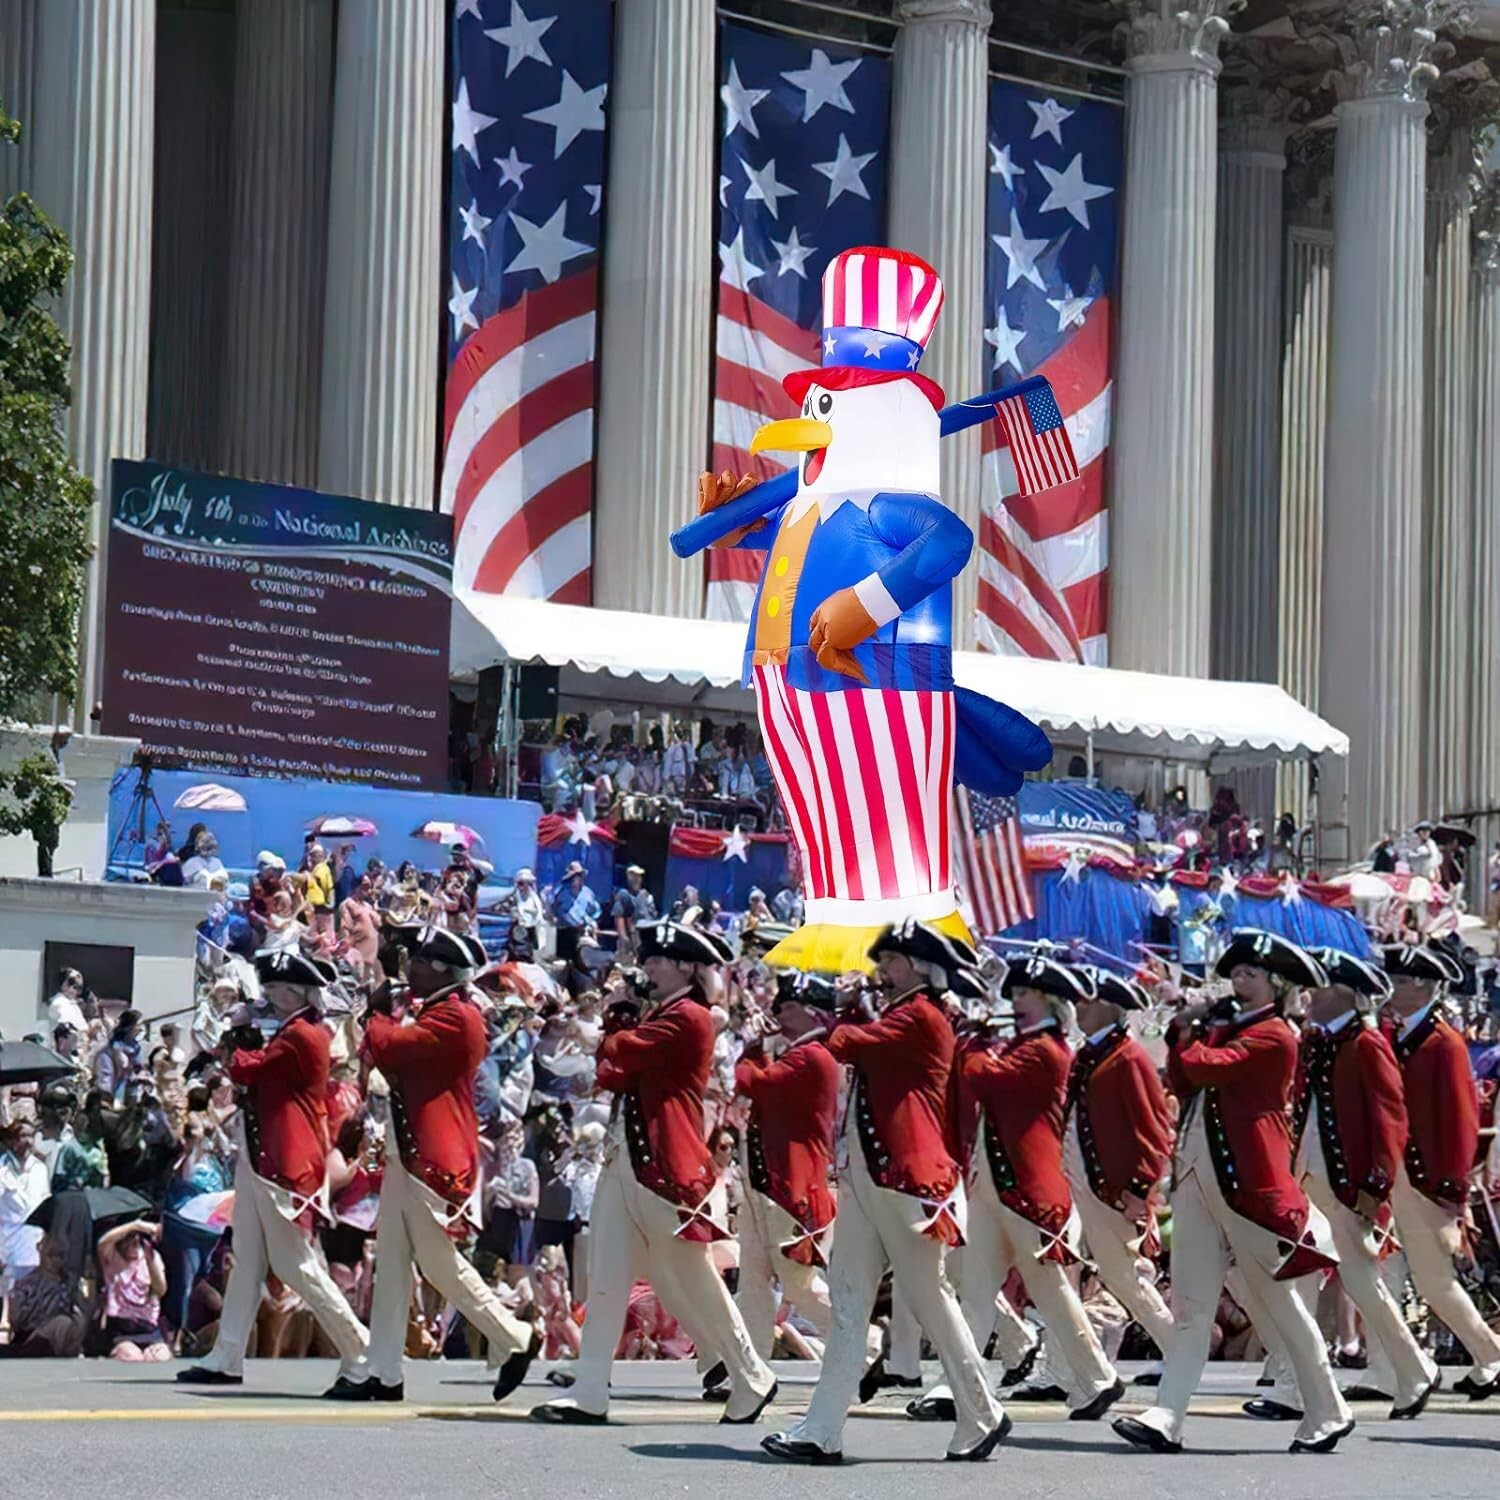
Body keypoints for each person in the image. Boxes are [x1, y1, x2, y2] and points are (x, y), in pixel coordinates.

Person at [763, 920, 1005, 1466]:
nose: (882, 970)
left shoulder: (923, 1017)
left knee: (930, 1298)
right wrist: (853, 1007)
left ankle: (982, 1411)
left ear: (920, 968)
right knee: (848, 1299)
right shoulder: (902, 1013)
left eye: (892, 962)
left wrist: (843, 1009)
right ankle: (823, 1429)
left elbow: (848, 1044)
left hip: (910, 1180)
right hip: (873, 1179)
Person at [1113, 930, 1352, 1456]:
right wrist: (1185, 1031)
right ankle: (1167, 1416)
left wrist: (1190, 1031)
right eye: (1236, 974)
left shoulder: (1274, 1035)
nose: (1238, 983)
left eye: (1251, 976)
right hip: (1200, 1180)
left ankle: (1329, 1409)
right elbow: (1182, 1078)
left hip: (1249, 1188)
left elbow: (1204, 1068)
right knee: (1192, 1307)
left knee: (1282, 1305)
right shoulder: (1226, 1030)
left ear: (1277, 986)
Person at [532, 919, 776, 1426]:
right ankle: (590, 1390)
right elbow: (611, 1073)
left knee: (691, 1276)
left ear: (687, 967)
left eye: (659, 960)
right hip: (628, 1162)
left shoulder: (689, 1016)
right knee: (607, 1277)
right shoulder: (661, 1014)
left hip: (665, 1166)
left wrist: (614, 1020)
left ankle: (752, 1374)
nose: (648, 967)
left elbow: (623, 1052)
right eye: (649, 959)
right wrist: (615, 1024)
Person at [329, 929, 540, 1402]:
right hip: (411, 1151)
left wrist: (378, 1011)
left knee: (437, 1263)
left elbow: (391, 1048)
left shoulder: (458, 1017)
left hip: (434, 1155)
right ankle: (382, 1369)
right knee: (393, 1262)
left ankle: (514, 1336)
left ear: (443, 969)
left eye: (420, 961)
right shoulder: (441, 1011)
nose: (410, 969)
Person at [913, 954, 1122, 1424]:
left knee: (1050, 1291)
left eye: (1024, 994)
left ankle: (1097, 1376)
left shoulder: (1046, 1050)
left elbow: (983, 1077)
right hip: (995, 1189)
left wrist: (970, 1037)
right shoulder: (1020, 1044)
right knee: (976, 1291)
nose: (1015, 1001)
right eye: (1015, 993)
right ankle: (958, 1385)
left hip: (1029, 1191)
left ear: (1049, 1000)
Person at [176, 950, 368, 1388]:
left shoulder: (303, 1034)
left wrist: (238, 1031)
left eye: (273, 989)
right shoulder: (294, 1029)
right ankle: (227, 1355)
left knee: (296, 1265)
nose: (268, 995)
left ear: (292, 991)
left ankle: (359, 1346)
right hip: (264, 1156)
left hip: (285, 1161)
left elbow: (248, 1069)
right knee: (246, 1260)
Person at [1273, 949, 1436, 1420]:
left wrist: (1375, 1187)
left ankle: (1412, 1370)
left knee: (1364, 1285)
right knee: (1299, 1275)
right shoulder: (1321, 1040)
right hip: (1311, 1178)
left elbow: (1390, 1120)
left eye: (1319, 986)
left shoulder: (1365, 1043)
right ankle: (1295, 1385)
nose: (1309, 994)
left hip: (1347, 1186)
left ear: (1344, 992)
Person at [1384, 941, 1500, 1398]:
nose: (1390, 989)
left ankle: (1489, 1353)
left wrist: (1452, 1188)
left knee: (1434, 1280)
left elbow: (1461, 1119)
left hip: (1426, 1177)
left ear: (1422, 986)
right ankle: (1398, 1363)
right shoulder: (1401, 1037)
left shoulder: (1444, 1042)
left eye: (1398, 981)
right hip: (1396, 1170)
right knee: (1390, 1275)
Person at [1061, 968, 1175, 1375]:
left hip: (1109, 1188)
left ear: (1109, 1007)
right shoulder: (1089, 1054)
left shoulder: (1129, 1057)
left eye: (1086, 1000)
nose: (1077, 1007)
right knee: (1063, 1274)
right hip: (1079, 1180)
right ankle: (1069, 1366)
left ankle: (1178, 1349)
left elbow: (1152, 1131)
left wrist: (1139, 1189)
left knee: (1127, 1278)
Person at [98, 1218, 171, 1361]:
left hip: (148, 1327)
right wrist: (135, 1225)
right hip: (122, 1327)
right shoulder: (113, 1258)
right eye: (130, 1238)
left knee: (159, 1357)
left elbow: (161, 1290)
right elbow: (103, 1242)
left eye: (138, 1239)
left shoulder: (152, 1257)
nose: (135, 1242)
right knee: (132, 1356)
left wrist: (151, 1264)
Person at [0, 1120, 49, 1309]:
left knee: (30, 1292)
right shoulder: (1, 1168)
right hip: (7, 1239)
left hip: (34, 1238)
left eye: (31, 1136)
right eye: (23, 1136)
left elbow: (45, 1202)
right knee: (6, 1291)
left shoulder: (40, 1168)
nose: (28, 1141)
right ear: (12, 1141)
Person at [550, 861, 600, 967]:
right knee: (565, 964)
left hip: (583, 931)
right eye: (576, 876)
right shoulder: (562, 893)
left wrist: (590, 922)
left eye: (580, 876)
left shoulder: (588, 892)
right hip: (566, 931)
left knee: (583, 962)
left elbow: (595, 910)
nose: (579, 878)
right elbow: (555, 909)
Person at [610, 864, 656, 960]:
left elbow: (653, 916)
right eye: (633, 877)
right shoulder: (623, 895)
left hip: (647, 934)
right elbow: (619, 916)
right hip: (633, 934)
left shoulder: (646, 896)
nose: (636, 880)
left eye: (638, 877)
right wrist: (624, 938)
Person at [46, 968, 87, 1041]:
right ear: (63, 984)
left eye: (78, 987)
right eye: (72, 984)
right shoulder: (59, 1001)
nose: (75, 990)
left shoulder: (72, 1004)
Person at [304, 843, 336, 935]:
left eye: (314, 855)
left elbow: (327, 888)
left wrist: (328, 903)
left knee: (324, 935)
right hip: (317, 909)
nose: (312, 858)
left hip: (321, 909)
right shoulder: (318, 870)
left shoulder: (322, 869)